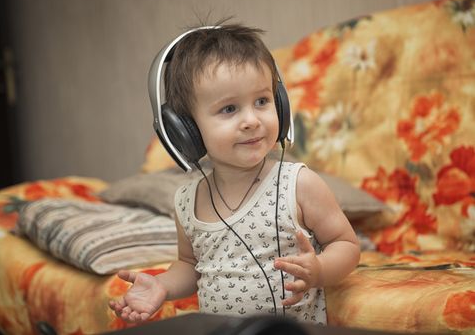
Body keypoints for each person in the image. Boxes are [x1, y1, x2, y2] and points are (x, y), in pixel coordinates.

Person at [109, 23, 360, 325]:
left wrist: (319, 270)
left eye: (262, 101)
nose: (252, 120)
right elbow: (190, 266)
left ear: (280, 102)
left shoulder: (298, 184)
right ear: (186, 130)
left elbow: (346, 245)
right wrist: (162, 284)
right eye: (229, 109)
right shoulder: (187, 201)